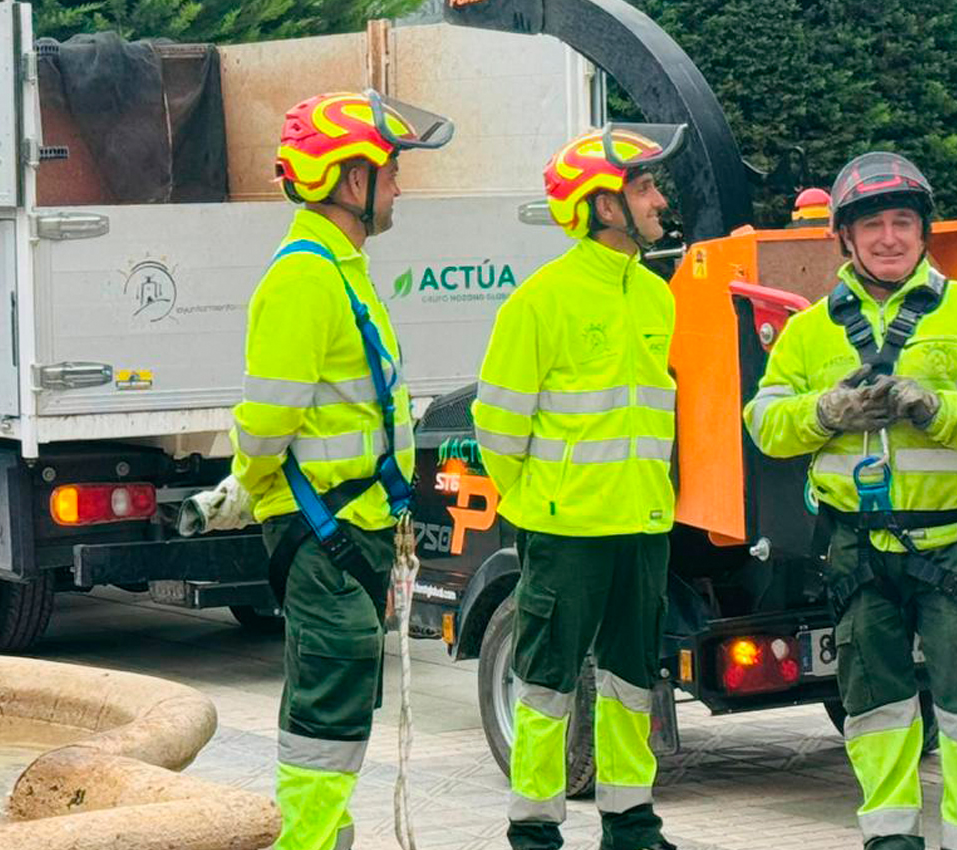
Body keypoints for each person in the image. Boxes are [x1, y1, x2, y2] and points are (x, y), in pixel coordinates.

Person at [744, 151, 957, 850]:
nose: (890, 237)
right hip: (857, 553)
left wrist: (938, 412)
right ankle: (891, 840)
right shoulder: (811, 331)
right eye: (873, 225)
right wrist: (828, 411)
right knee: (875, 711)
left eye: (904, 222)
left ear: (926, 230)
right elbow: (765, 426)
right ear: (845, 236)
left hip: (951, 549)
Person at [229, 89, 453, 850]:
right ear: (350, 182)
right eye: (389, 171)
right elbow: (266, 422)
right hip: (321, 526)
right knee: (330, 696)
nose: (398, 185)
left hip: (353, 526)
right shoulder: (304, 280)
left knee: (345, 688)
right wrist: (256, 489)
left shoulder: (342, 269)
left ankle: (327, 833)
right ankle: (308, 840)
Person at [473, 123, 688, 850]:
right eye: (645, 186)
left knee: (633, 680)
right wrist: (544, 501)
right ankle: (534, 829)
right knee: (544, 685)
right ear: (602, 205)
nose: (659, 198)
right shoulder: (541, 301)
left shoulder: (656, 296)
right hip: (566, 532)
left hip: (643, 524)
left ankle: (631, 825)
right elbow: (497, 428)